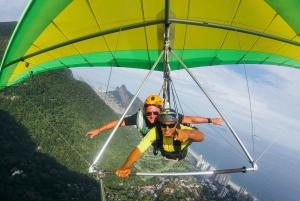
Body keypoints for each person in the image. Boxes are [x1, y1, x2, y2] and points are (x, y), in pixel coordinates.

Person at [115, 108, 205, 178]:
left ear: (176, 124)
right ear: (160, 124)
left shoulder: (182, 130)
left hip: (179, 154)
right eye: (163, 125)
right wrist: (126, 166)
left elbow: (201, 136)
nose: (167, 128)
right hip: (165, 153)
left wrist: (187, 133)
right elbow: (139, 148)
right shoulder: (155, 131)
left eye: (171, 125)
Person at [85, 94, 223, 138]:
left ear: (160, 112)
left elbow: (191, 119)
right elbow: (118, 123)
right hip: (154, 139)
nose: (151, 116)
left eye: (155, 113)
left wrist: (211, 120)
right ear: (145, 111)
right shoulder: (139, 118)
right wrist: (99, 130)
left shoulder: (167, 116)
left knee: (182, 128)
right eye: (149, 113)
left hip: (168, 137)